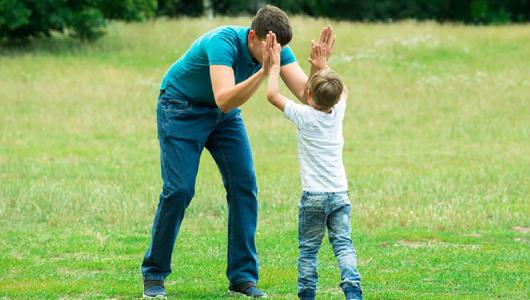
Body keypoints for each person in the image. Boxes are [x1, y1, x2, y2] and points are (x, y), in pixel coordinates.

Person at [141, 4, 337, 299]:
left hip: (224, 118)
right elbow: (224, 99)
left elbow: (309, 96)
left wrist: (320, 68)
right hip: (181, 108)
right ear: (253, 37)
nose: (275, 53)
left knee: (244, 187)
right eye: (269, 46)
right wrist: (263, 72)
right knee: (179, 190)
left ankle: (242, 277)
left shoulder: (276, 48)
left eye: (280, 49)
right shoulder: (222, 42)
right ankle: (154, 274)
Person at [265, 38, 363, 300]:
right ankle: (353, 290)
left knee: (308, 250)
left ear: (308, 95)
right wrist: (324, 65)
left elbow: (272, 95)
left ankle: (307, 295)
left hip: (313, 197)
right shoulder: (338, 111)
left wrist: (274, 65)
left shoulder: (304, 115)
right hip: (339, 194)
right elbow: (343, 92)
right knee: (343, 245)